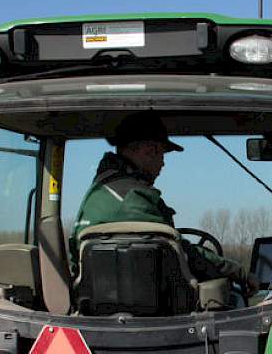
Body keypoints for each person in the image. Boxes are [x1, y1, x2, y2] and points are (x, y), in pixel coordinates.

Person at [70, 111, 254, 290]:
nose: (163, 163)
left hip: (98, 303)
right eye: (162, 155)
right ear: (150, 150)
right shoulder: (134, 197)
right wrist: (239, 272)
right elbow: (184, 253)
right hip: (151, 306)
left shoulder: (98, 192)